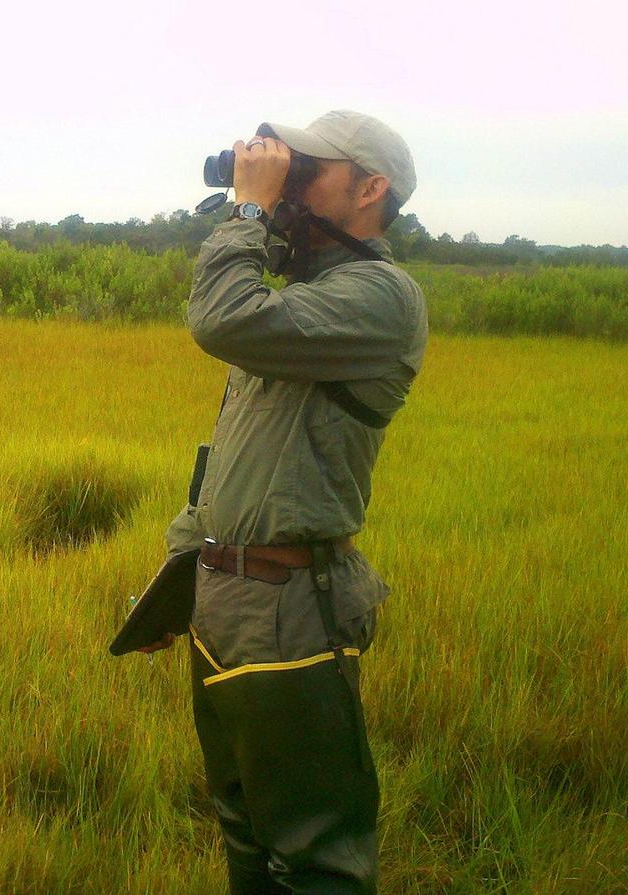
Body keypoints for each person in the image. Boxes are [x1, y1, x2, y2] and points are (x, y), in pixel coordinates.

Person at [140, 110, 428, 894]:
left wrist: (251, 210)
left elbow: (220, 314)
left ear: (371, 189)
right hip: (227, 602)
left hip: (292, 609)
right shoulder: (304, 300)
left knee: (313, 857)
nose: (288, 182)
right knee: (245, 833)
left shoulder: (381, 297)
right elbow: (237, 457)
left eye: (309, 172)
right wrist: (181, 579)